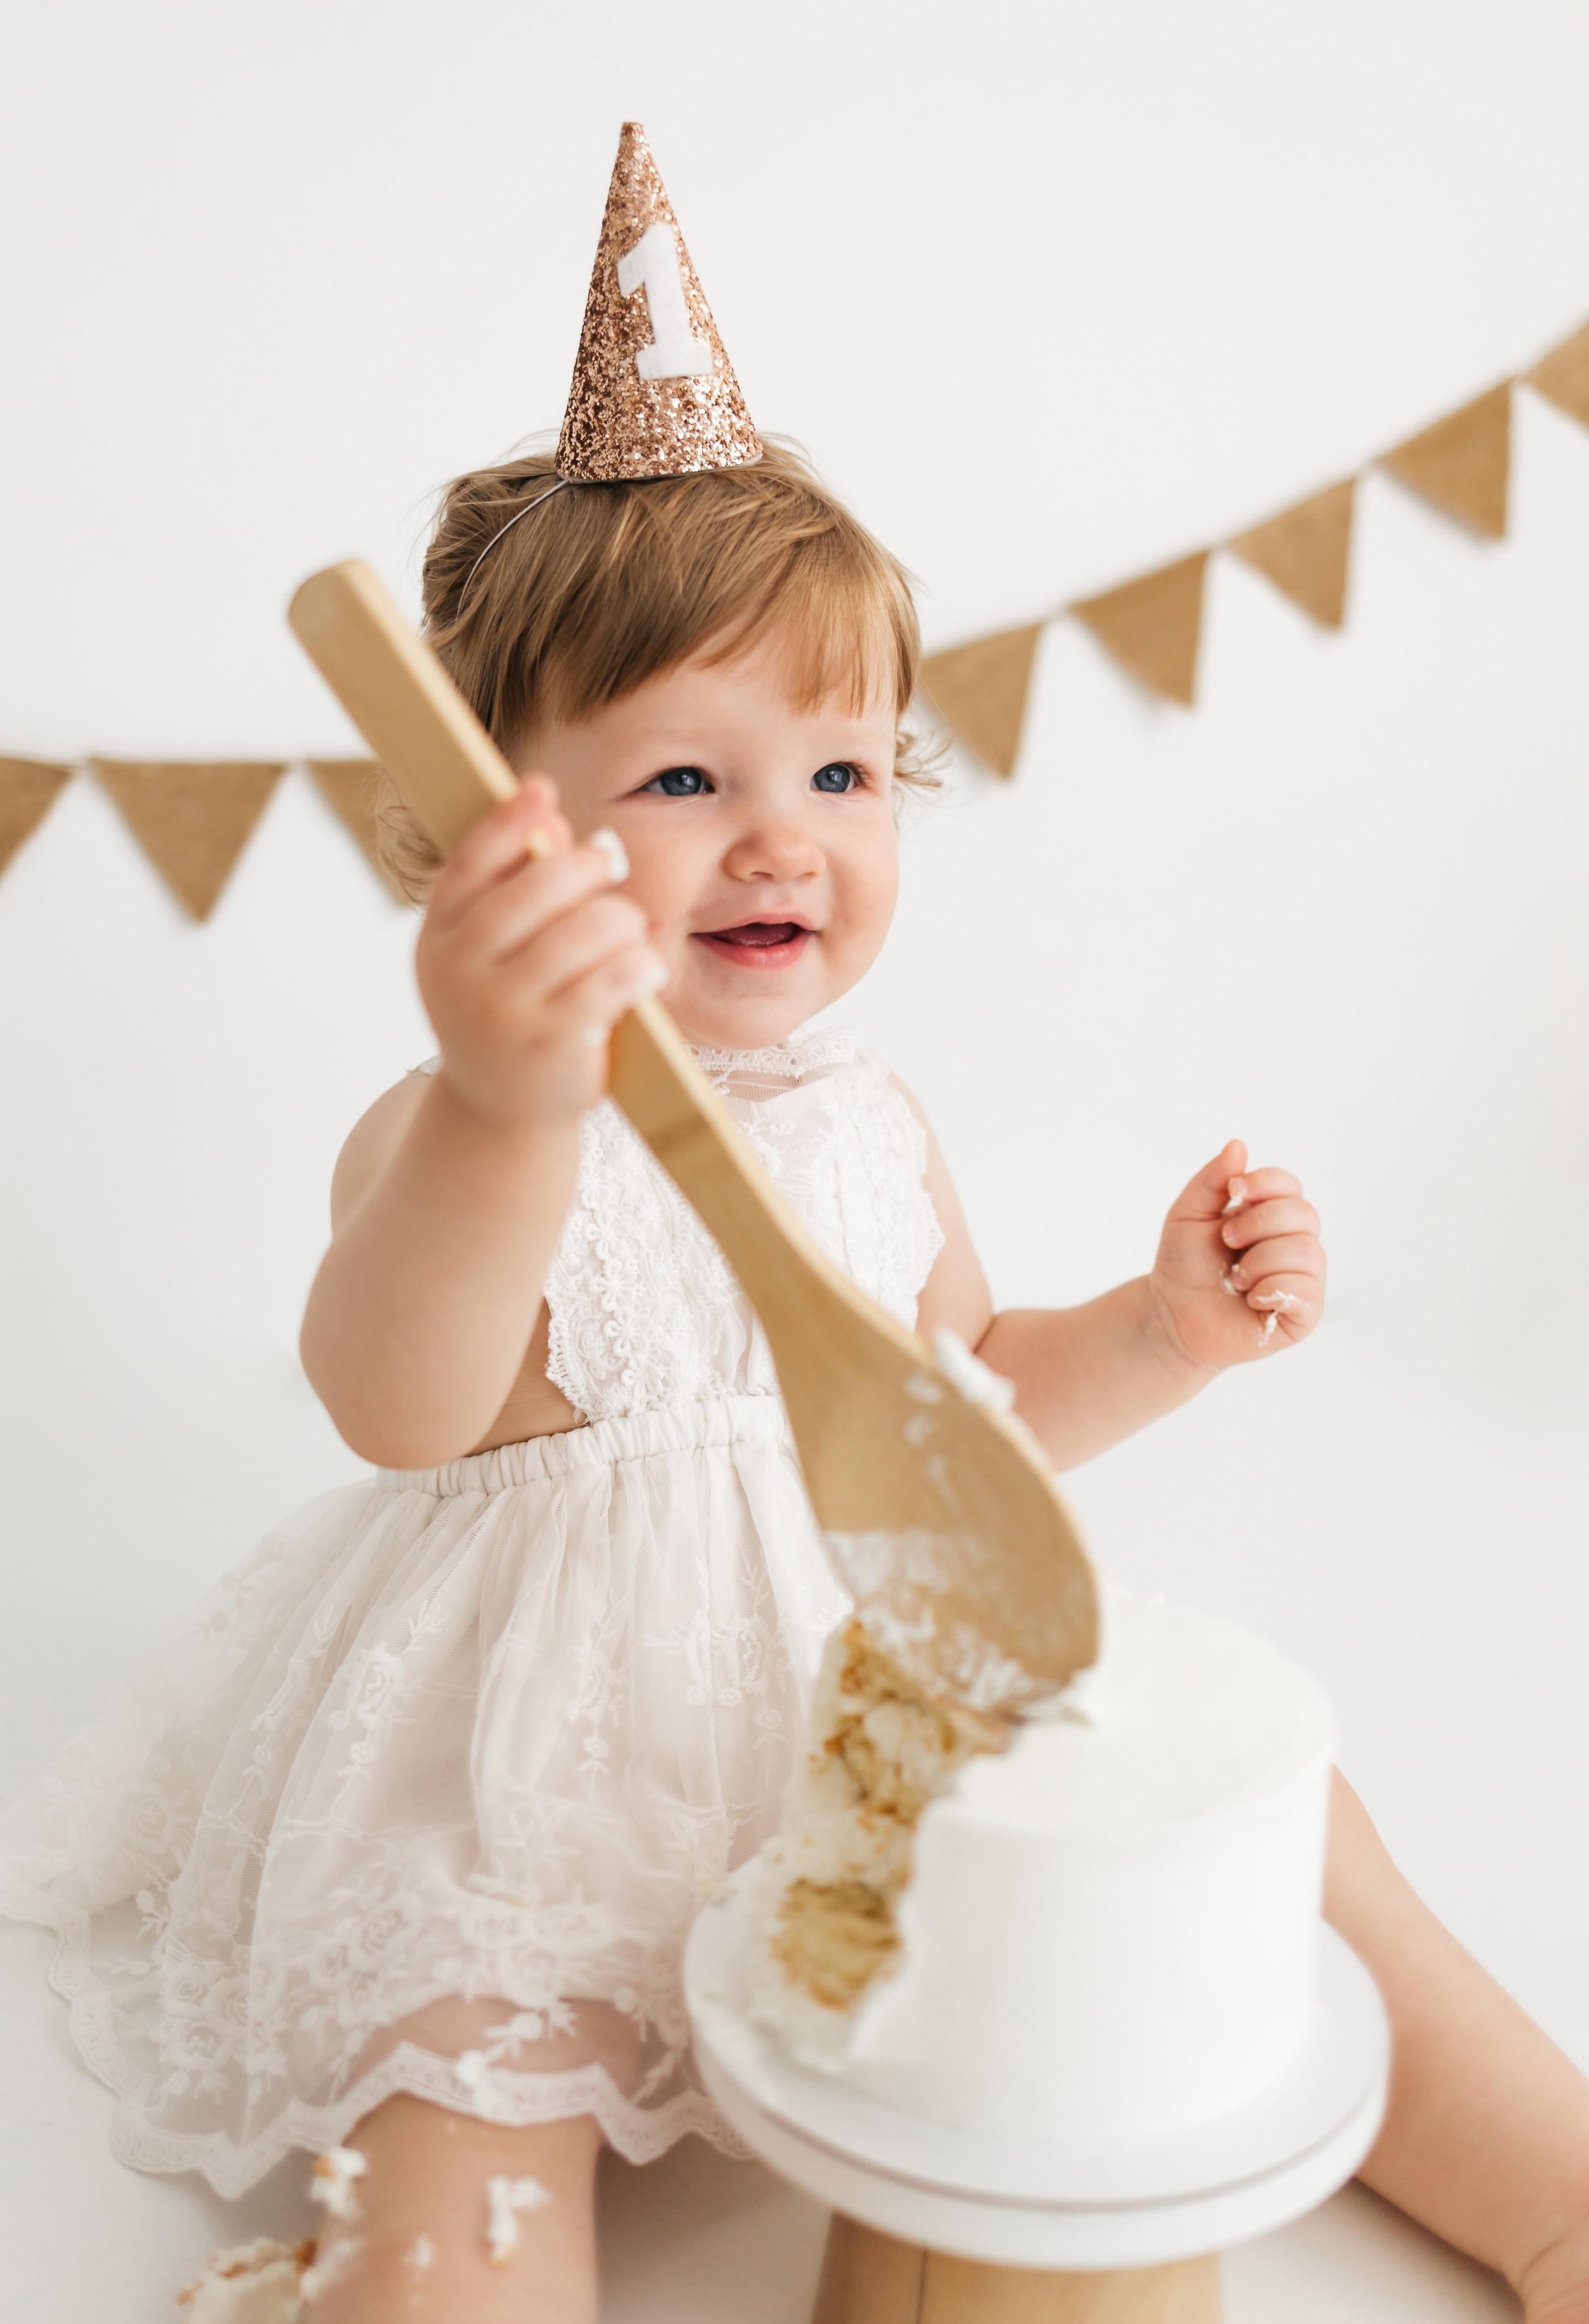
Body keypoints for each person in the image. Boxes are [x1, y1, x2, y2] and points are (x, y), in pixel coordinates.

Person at [7, 128, 1589, 2324]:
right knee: (468, 2143)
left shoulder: (865, 1118)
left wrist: (1152, 1327)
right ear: (498, 821)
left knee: (1291, 1848)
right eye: (684, 780)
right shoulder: (461, 1125)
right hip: (532, 1780)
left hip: (867, 1706)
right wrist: (498, 1099)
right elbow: (394, 1399)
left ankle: (1553, 2192)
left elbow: (948, 1413)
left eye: (842, 775)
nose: (784, 842)